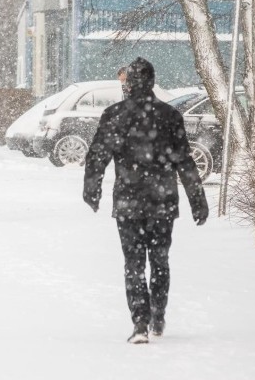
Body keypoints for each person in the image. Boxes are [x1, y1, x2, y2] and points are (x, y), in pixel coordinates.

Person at [82, 57, 208, 344]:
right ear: (151, 82)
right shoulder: (169, 115)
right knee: (160, 260)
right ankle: (158, 315)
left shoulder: (115, 114)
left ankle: (140, 321)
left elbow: (97, 156)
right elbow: (185, 161)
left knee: (134, 263)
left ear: (127, 83)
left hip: (128, 201)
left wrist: (92, 189)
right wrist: (197, 200)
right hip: (162, 201)